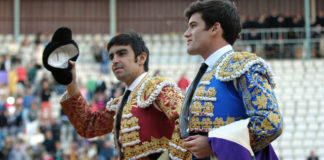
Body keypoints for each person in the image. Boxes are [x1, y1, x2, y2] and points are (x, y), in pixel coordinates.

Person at [60, 33, 191, 160]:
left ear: (141, 58)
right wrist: (71, 83)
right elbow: (88, 126)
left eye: (122, 54)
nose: (115, 60)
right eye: (111, 57)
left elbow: (188, 120)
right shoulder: (120, 103)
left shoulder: (158, 87)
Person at [179, 1, 283, 160]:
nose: (186, 33)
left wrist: (214, 144)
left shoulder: (244, 66)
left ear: (214, 28)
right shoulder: (205, 72)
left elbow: (269, 122)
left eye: (193, 26)